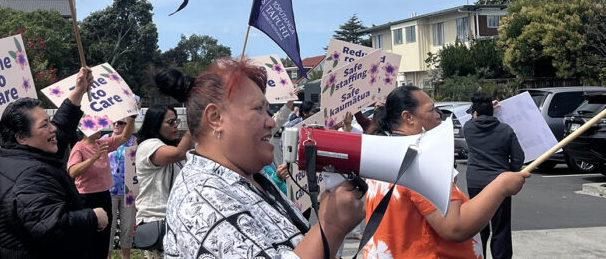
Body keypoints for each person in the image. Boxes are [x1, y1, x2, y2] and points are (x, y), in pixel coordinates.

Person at [161, 60, 366, 259]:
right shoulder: (200, 199)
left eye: (267, 110)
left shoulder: (252, 179)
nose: (270, 121)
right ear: (215, 117)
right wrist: (331, 227)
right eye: (258, 109)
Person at [362, 86, 529, 259]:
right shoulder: (420, 160)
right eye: (431, 109)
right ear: (408, 117)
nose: (438, 116)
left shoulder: (387, 153)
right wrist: (501, 186)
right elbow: (455, 227)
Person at [0, 67, 108, 259]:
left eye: (49, 121)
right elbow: (51, 227)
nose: (53, 129)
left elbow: (60, 128)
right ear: (22, 137)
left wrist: (78, 91)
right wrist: (93, 217)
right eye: (45, 125)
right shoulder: (31, 176)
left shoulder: (10, 155)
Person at [464, 93, 524, 259]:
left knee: (479, 224)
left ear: (475, 113)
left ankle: (479, 255)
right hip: (500, 182)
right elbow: (519, 157)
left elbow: (470, 116)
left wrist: (482, 108)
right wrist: (509, 171)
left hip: (475, 181)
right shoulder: (506, 130)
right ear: (492, 112)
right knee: (501, 226)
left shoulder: (468, 128)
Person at [68, 116, 136, 259]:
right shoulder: (79, 147)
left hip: (104, 195)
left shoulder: (102, 143)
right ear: (85, 129)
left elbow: (125, 137)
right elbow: (73, 172)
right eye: (95, 127)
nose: (99, 129)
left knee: (104, 234)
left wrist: (132, 118)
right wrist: (94, 157)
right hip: (87, 197)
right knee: (89, 236)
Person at [134, 97, 194, 259]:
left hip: (176, 219)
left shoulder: (171, 147)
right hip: (158, 219)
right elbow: (178, 154)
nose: (176, 125)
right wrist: (195, 127)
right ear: (155, 125)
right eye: (170, 122)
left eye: (176, 120)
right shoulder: (148, 146)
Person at [104, 118, 139, 259]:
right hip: (108, 188)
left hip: (128, 190)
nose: (117, 125)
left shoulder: (134, 141)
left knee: (127, 226)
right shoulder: (105, 139)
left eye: (121, 123)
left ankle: (126, 257)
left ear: (128, 125)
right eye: (115, 122)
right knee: (109, 227)